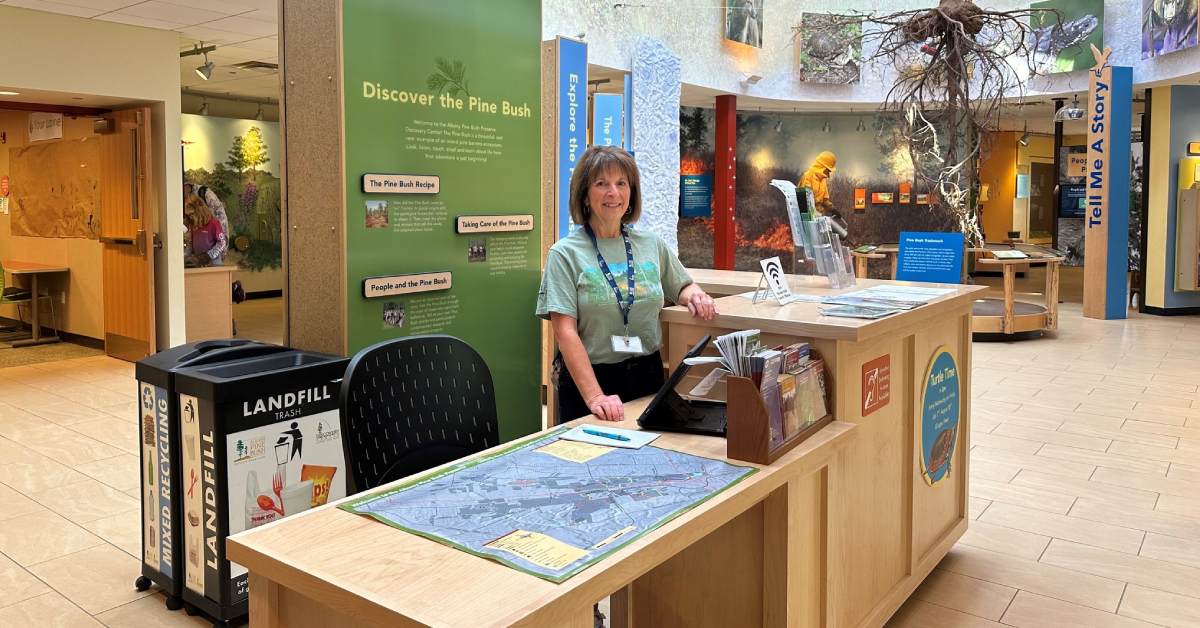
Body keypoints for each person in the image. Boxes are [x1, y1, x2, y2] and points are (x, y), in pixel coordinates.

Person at [537, 146, 717, 424]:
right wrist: (596, 397)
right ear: (585, 194)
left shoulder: (651, 244)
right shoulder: (564, 254)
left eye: (621, 183)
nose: (613, 193)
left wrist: (696, 296)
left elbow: (681, 286)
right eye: (601, 184)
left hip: (648, 375)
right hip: (592, 381)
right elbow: (565, 332)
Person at [184, 181, 230, 261]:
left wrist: (209, 256)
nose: (190, 217)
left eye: (191, 214)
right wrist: (185, 258)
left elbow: (222, 242)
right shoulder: (193, 225)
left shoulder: (214, 223)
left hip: (212, 259)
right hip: (198, 260)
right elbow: (190, 243)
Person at [798, 150, 837, 216]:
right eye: (828, 171)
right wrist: (813, 215)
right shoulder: (807, 176)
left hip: (818, 216)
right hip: (807, 217)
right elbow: (802, 202)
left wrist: (833, 209)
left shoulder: (822, 180)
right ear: (822, 167)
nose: (828, 174)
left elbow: (825, 200)